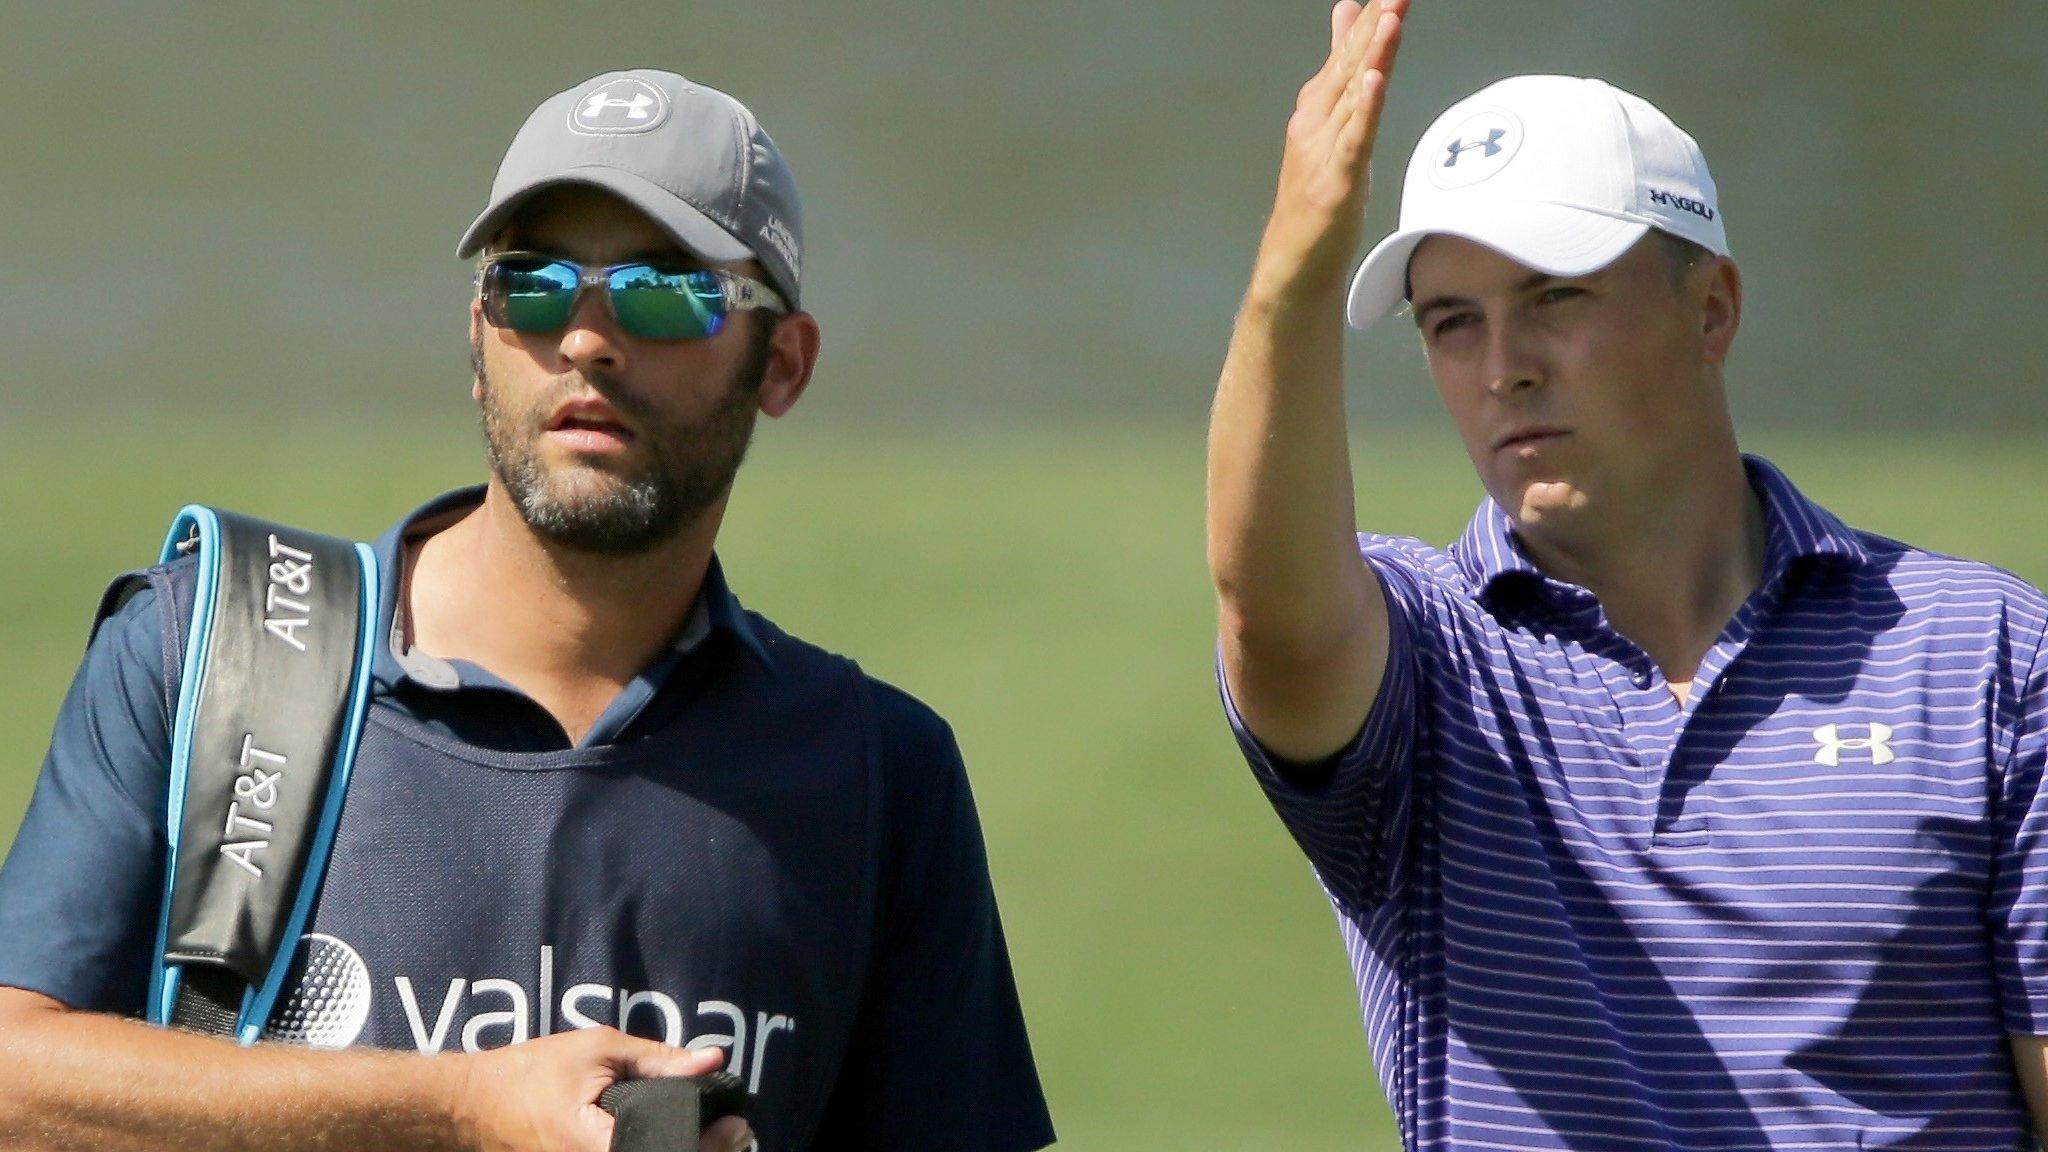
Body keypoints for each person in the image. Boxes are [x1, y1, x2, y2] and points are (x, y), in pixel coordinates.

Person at [0, 69, 1054, 1152]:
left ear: (779, 365)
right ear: (478, 338)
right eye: (535, 287)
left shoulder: (878, 772)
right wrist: (456, 1109)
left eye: (662, 291)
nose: (587, 339)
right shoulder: (205, 656)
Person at [1207, 2, 2048, 1147]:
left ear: (1709, 310)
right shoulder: (1424, 660)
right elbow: (1278, 624)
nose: (1502, 368)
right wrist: (1288, 280)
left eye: (1554, 297)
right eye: (1453, 323)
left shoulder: (1980, 651)